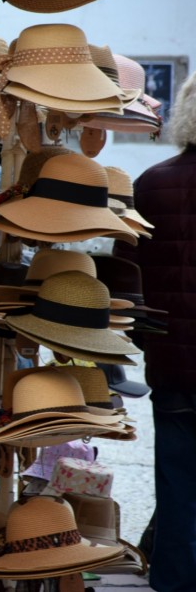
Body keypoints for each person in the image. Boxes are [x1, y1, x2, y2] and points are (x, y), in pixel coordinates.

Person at [114, 70, 196, 592]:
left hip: (173, 368)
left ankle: (174, 579)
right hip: (171, 360)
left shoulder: (152, 184)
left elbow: (125, 277)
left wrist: (150, 340)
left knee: (176, 480)